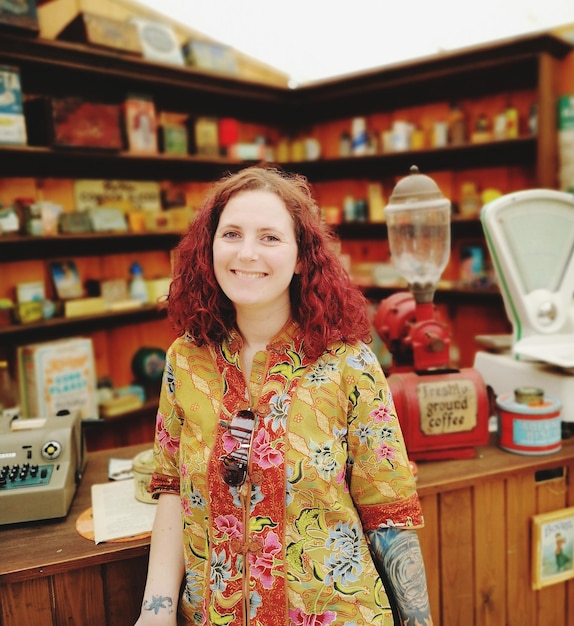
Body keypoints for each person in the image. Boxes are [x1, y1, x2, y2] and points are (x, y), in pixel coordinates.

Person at [134, 165, 432, 626]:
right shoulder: (184, 361)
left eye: (270, 237)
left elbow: (388, 513)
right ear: (209, 247)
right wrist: (155, 612)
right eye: (231, 233)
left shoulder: (348, 364)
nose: (247, 252)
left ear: (300, 258)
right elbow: (171, 488)